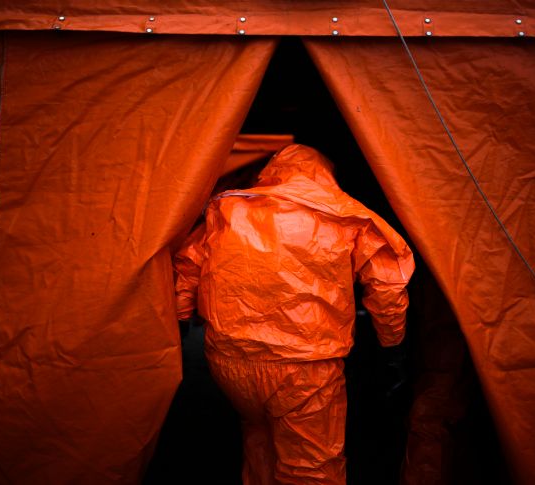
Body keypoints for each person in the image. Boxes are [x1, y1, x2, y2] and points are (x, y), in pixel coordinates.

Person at [173, 144, 415, 484]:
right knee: (311, 469)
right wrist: (393, 345)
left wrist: (181, 317)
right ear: (326, 175)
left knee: (258, 437)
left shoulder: (227, 207)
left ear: (272, 172)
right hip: (304, 369)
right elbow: (387, 284)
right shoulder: (348, 215)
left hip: (230, 362)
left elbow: (188, 263)